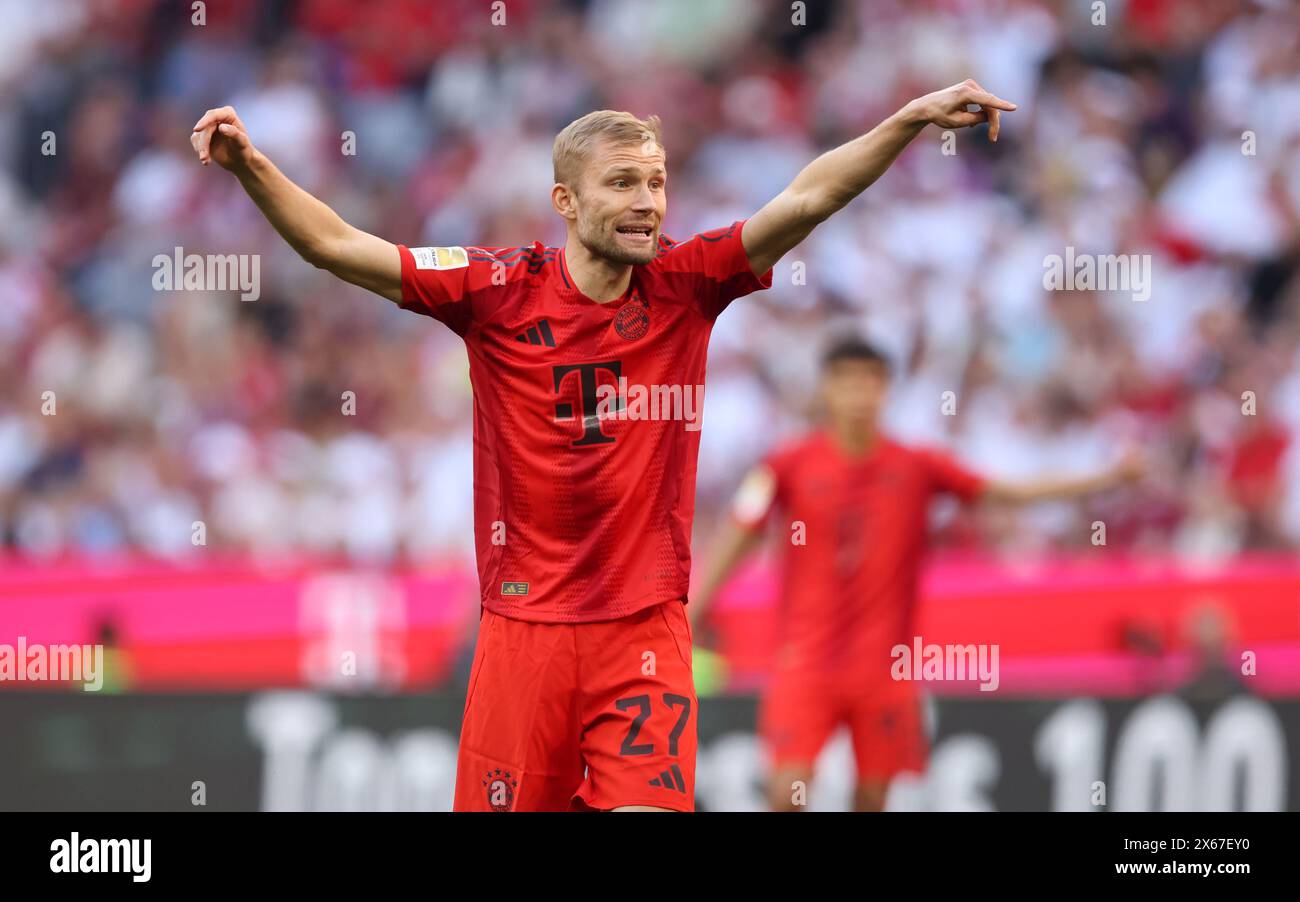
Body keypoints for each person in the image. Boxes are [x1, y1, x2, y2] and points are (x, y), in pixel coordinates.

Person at [190, 79, 1019, 812]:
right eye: (623, 183)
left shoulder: (688, 286)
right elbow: (336, 246)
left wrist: (908, 119)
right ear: (566, 201)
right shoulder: (494, 291)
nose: (649, 202)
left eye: (657, 182)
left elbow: (803, 200)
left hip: (645, 633)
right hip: (523, 633)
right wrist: (250, 166)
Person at [692, 338, 1145, 812]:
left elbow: (1007, 492)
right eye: (847, 380)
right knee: (786, 794)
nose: (858, 393)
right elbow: (740, 533)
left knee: (872, 799)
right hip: (804, 664)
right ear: (827, 388)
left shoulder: (916, 466)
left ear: (885, 388)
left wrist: (1106, 478)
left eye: (870, 380)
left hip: (885, 669)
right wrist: (695, 608)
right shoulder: (787, 465)